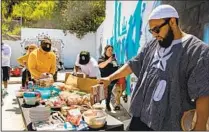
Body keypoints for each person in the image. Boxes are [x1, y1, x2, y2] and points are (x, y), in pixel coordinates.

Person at [99, 5, 209, 131]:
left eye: (156, 29)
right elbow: (133, 64)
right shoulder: (153, 44)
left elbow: (204, 93)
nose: (154, 35)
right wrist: (109, 78)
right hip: (140, 117)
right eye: (151, 31)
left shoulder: (197, 51)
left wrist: (200, 126)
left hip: (168, 124)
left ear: (172, 22)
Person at [98, 45, 119, 111]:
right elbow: (100, 65)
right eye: (109, 50)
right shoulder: (102, 58)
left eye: (111, 50)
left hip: (112, 80)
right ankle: (98, 107)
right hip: (104, 80)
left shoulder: (113, 58)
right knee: (101, 93)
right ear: (105, 50)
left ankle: (107, 105)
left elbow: (116, 66)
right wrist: (108, 61)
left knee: (109, 93)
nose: (110, 51)